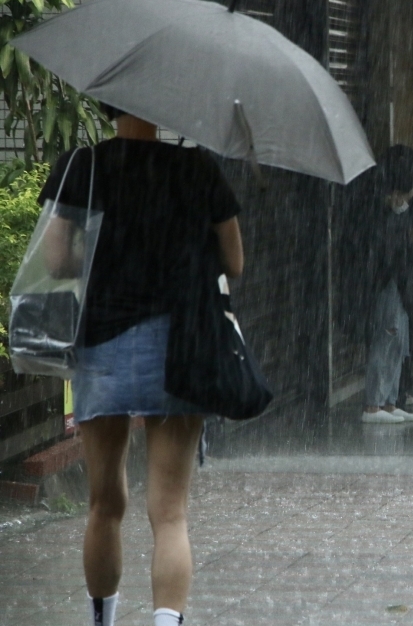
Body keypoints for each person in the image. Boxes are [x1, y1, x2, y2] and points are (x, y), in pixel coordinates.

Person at [39, 107, 243, 626]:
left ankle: (102, 620)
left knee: (103, 503)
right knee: (169, 511)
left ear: (108, 105)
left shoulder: (82, 166)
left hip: (102, 345)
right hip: (179, 347)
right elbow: (234, 263)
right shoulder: (197, 169)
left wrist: (106, 249)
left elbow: (56, 260)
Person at [350, 152, 413, 424]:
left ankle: (389, 401)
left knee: (398, 342)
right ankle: (373, 404)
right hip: (385, 284)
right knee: (384, 341)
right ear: (395, 192)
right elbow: (386, 254)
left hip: (398, 285)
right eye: (406, 195)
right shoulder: (378, 216)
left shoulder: (396, 216)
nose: (407, 201)